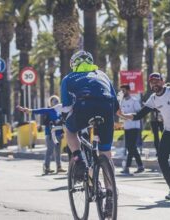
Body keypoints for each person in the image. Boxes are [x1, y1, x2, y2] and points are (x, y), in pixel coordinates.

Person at [61, 50, 119, 216]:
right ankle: (110, 194)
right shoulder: (103, 75)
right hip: (106, 109)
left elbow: (66, 107)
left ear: (74, 64)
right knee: (106, 153)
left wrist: (65, 120)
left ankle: (78, 160)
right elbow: (115, 103)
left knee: (70, 131)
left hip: (84, 108)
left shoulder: (68, 78)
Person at [17, 95, 67, 174]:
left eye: (58, 101)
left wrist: (62, 132)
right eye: (55, 101)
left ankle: (59, 167)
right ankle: (46, 167)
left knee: (58, 151)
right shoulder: (49, 111)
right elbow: (39, 111)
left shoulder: (60, 111)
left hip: (58, 134)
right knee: (49, 151)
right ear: (50, 103)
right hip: (50, 135)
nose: (57, 102)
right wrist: (28, 110)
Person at [119, 84, 144, 174]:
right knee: (131, 147)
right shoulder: (122, 102)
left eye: (124, 90)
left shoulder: (134, 101)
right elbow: (121, 114)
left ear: (128, 91)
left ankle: (127, 167)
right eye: (121, 91)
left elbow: (139, 113)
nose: (122, 92)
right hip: (127, 127)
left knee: (131, 147)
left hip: (134, 126)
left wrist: (129, 115)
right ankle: (140, 166)